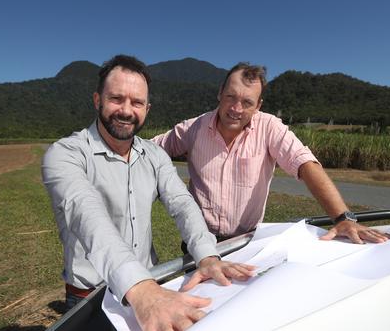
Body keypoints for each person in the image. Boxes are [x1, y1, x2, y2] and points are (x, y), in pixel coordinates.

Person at [42, 55, 255, 330]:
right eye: (117, 99)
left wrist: (206, 254)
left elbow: (182, 203)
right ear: (98, 100)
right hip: (92, 297)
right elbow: (87, 216)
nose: (126, 110)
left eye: (137, 102)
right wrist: (140, 289)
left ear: (147, 108)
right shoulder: (65, 154)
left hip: (151, 283)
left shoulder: (155, 155)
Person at [152, 62, 390, 245]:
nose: (236, 109)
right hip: (198, 242)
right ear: (219, 93)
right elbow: (149, 151)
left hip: (248, 244)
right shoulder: (193, 128)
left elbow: (304, 163)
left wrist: (342, 218)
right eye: (230, 97)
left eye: (247, 102)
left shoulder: (269, 128)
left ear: (259, 105)